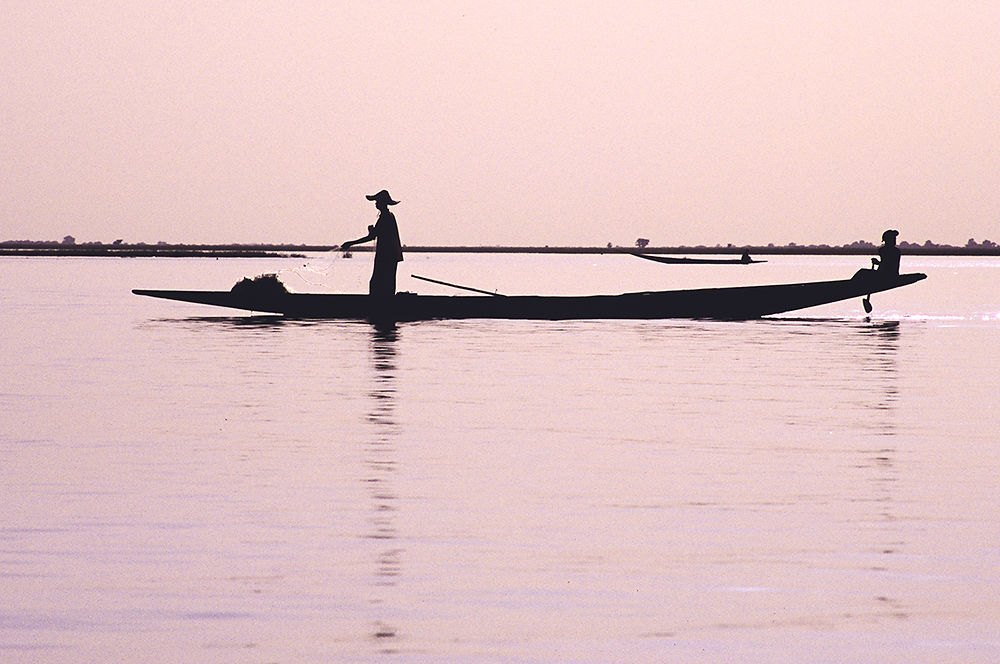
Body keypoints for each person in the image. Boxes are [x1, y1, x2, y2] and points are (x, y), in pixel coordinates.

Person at [341, 190, 404, 296]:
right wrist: (373, 231)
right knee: (385, 282)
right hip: (390, 255)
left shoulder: (386, 217)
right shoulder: (388, 216)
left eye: (377, 201)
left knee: (377, 283)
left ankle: (381, 306)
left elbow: (372, 237)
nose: (375, 203)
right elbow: (377, 234)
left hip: (387, 255)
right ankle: (386, 305)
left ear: (383, 203)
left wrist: (350, 243)